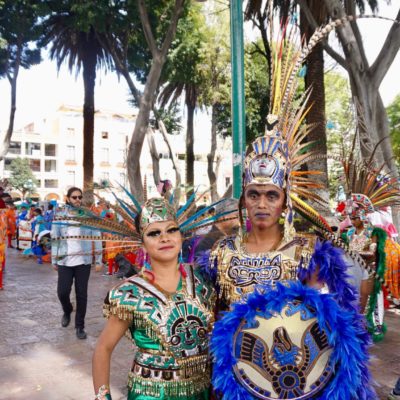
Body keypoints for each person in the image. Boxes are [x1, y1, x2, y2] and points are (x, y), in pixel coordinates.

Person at [200, 20, 374, 399]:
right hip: (238, 384)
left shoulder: (309, 253)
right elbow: (211, 322)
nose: (262, 203)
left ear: (285, 200)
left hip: (298, 384)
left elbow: (332, 324)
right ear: (244, 197)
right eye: (254, 194)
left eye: (271, 195)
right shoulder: (220, 255)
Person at [91, 197, 216, 400]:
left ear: (181, 236)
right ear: (143, 244)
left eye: (171, 230)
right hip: (150, 393)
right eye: (154, 233)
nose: (164, 238)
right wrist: (102, 397)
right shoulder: (129, 293)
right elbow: (103, 348)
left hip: (200, 391)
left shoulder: (204, 280)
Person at [51, 187, 102, 339]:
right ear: (68, 199)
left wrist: (98, 259)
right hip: (65, 261)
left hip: (83, 261)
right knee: (62, 292)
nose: (78, 200)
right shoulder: (60, 215)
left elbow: (97, 237)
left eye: (80, 197)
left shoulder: (88, 215)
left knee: (82, 295)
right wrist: (54, 258)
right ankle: (67, 310)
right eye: (74, 197)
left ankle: (80, 326)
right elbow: (55, 237)